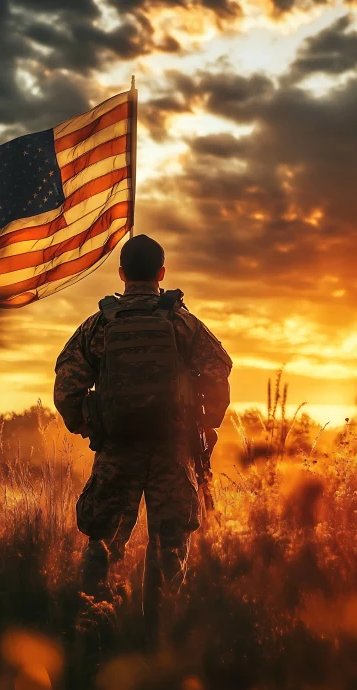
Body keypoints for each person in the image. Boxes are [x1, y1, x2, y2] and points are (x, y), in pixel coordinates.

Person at [54, 234, 232, 632]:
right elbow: (219, 371)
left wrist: (91, 426)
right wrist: (203, 423)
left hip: (117, 451)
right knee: (170, 546)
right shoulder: (182, 321)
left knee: (103, 545)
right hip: (172, 452)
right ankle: (159, 641)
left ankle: (92, 631)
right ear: (161, 273)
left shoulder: (100, 324)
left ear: (121, 274)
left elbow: (67, 385)